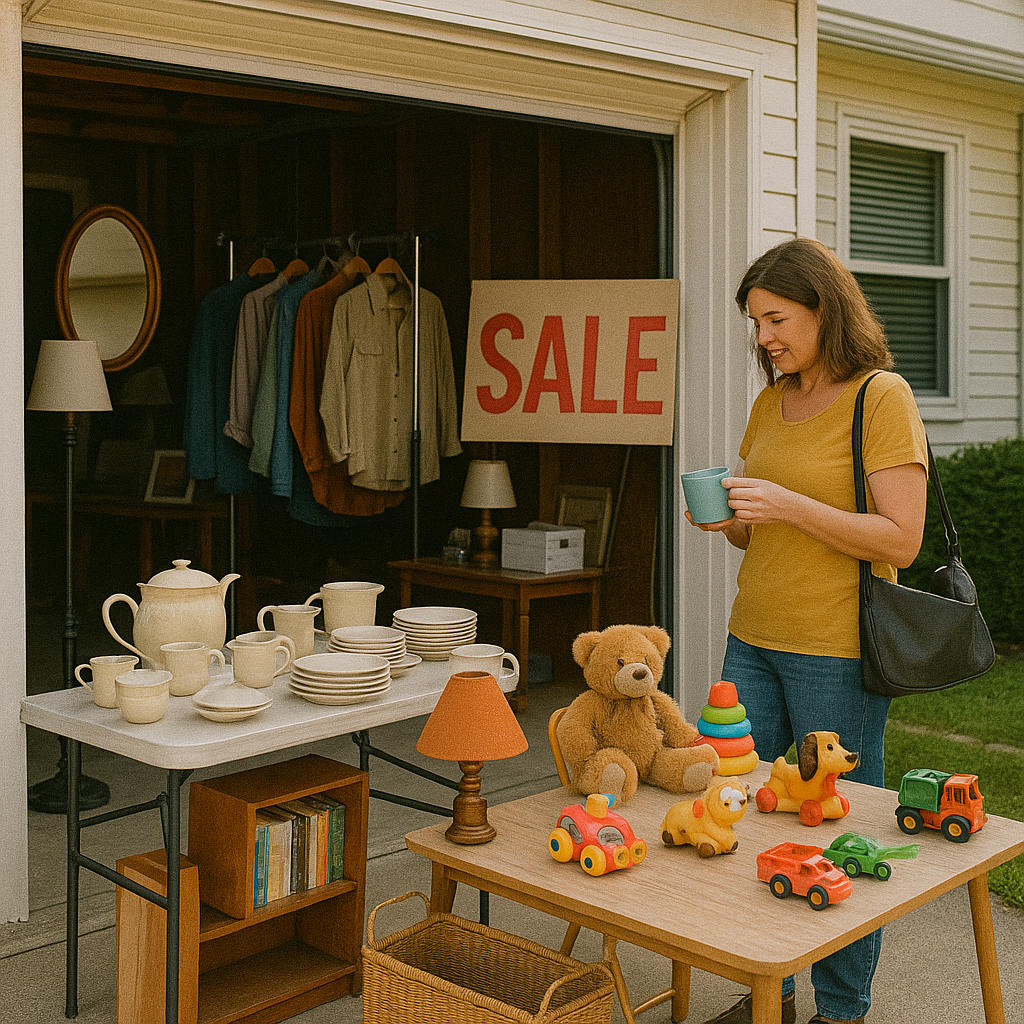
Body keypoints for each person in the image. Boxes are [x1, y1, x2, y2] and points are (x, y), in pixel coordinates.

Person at [690, 238, 929, 1024]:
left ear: (825, 307)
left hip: (837, 650)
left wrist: (788, 504)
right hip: (750, 639)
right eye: (756, 324)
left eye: (776, 319)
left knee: (838, 832)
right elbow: (763, 533)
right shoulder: (771, 401)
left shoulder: (880, 396)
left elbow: (901, 540)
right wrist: (726, 518)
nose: (764, 338)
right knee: (735, 810)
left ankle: (840, 1007)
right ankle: (770, 991)